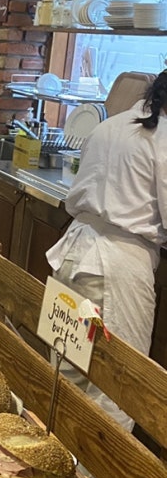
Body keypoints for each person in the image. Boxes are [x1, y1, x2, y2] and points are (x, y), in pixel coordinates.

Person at [46, 72, 167, 430]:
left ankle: (45, 469)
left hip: (71, 258)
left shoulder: (111, 125)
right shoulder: (162, 136)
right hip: (117, 269)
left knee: (61, 375)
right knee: (115, 389)